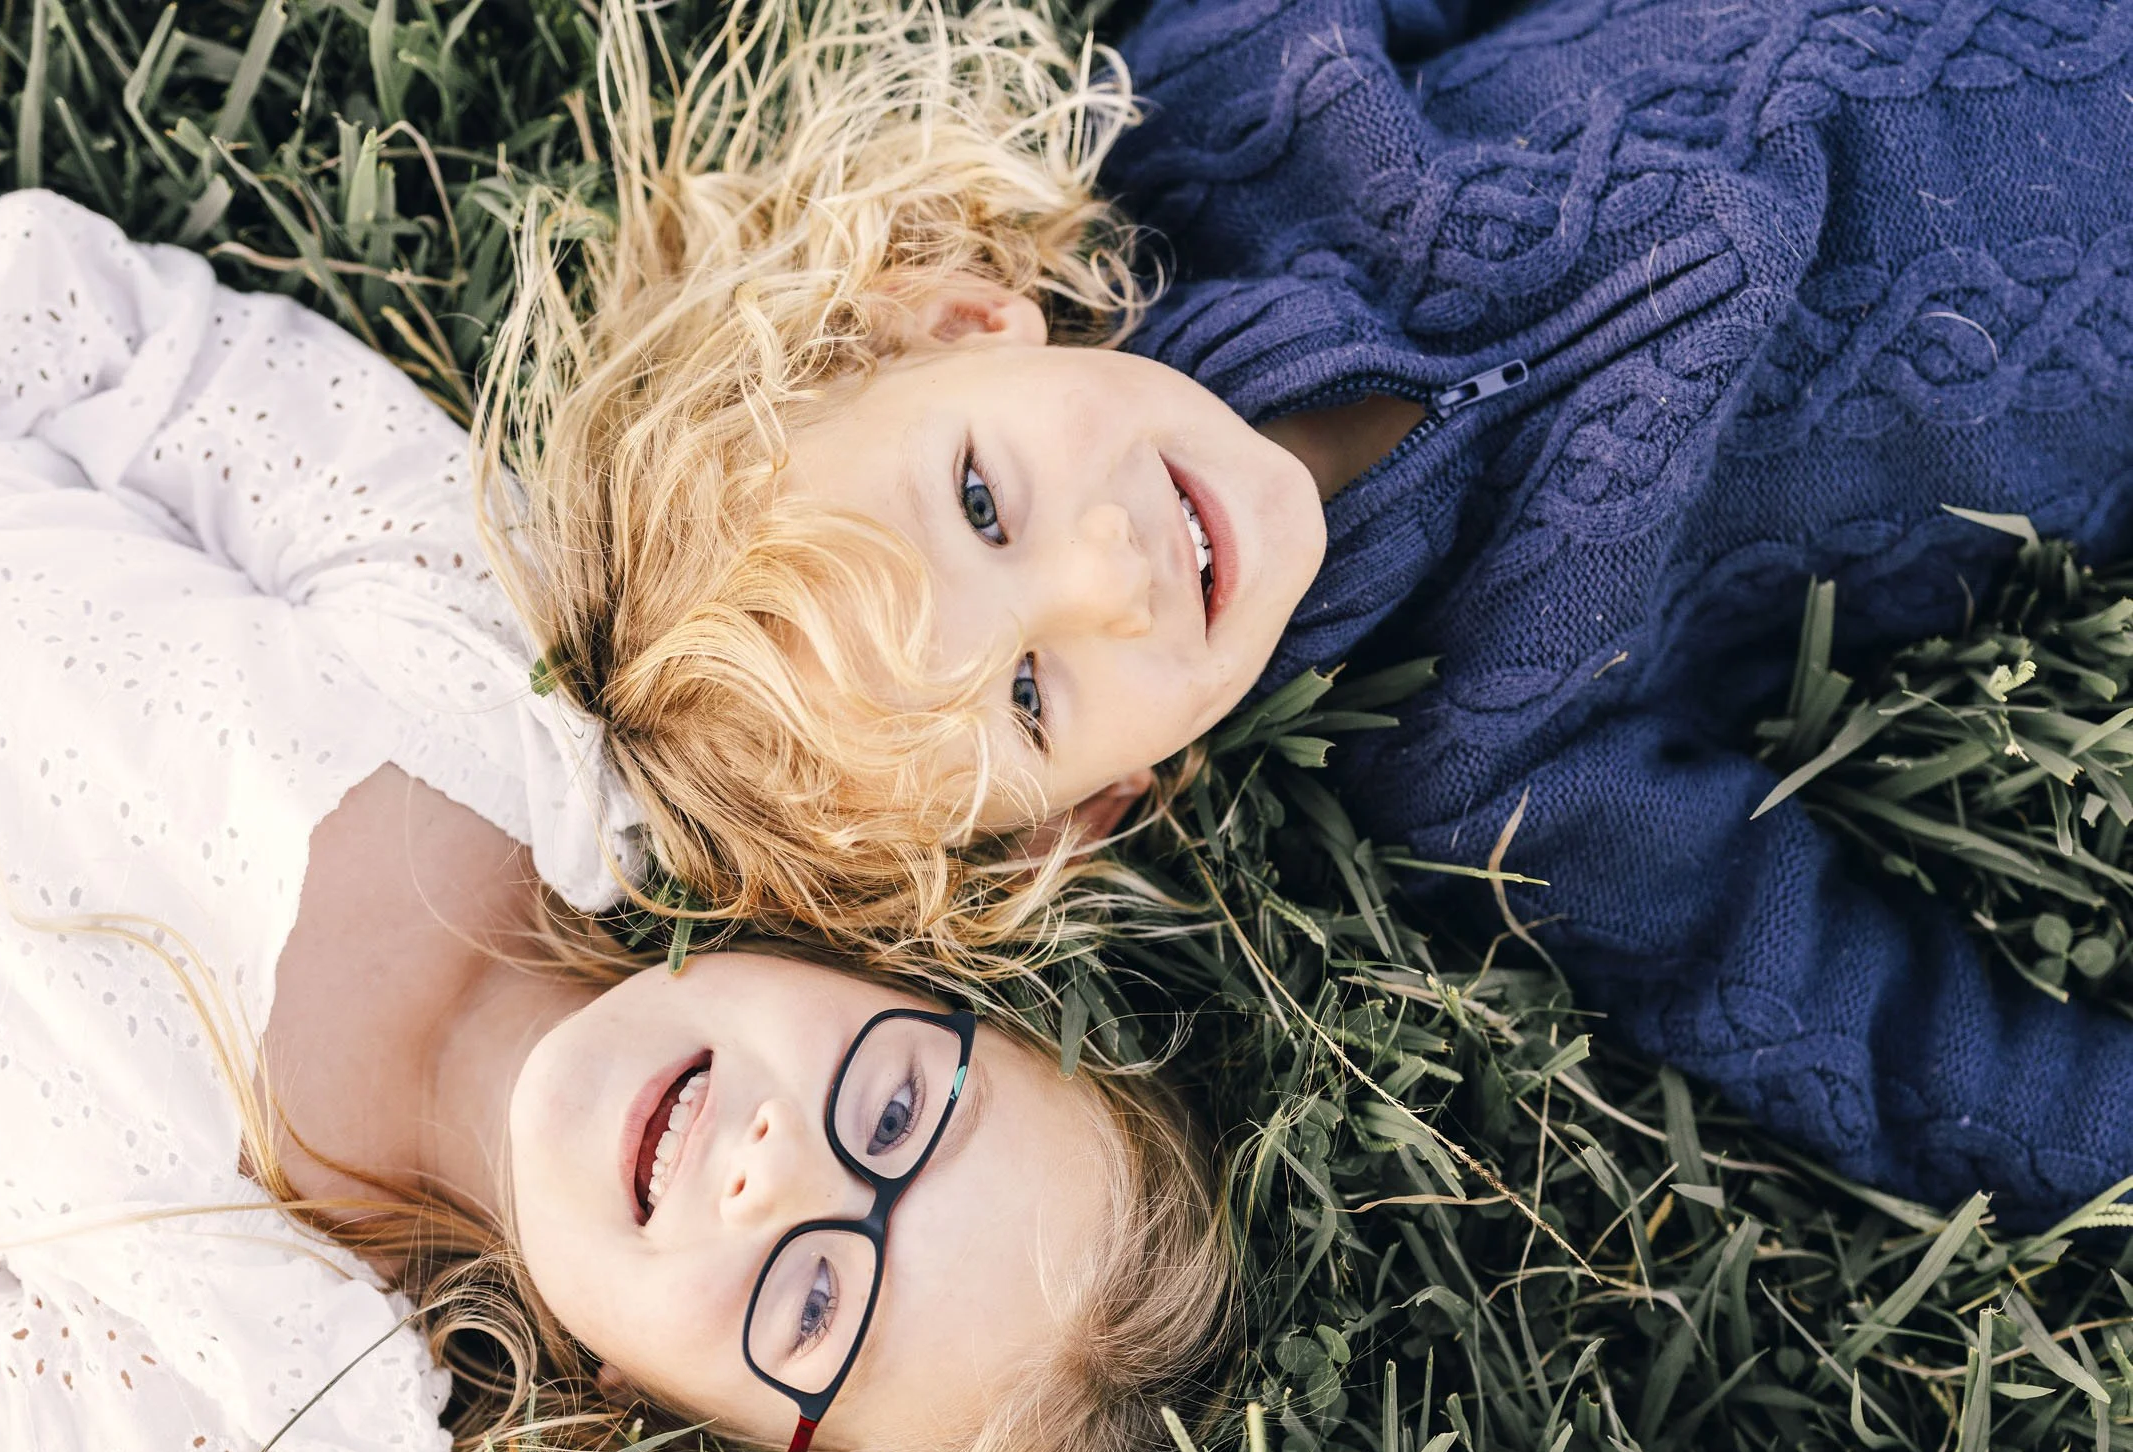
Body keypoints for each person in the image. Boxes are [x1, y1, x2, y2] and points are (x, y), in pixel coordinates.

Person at [0, 87, 1228, 1452]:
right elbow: (122, 341)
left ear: (681, 1416)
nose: (773, 1170)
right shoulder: (511, 681)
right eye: (892, 1109)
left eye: (814, 1307)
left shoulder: (255, 1372)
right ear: (881, 977)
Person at [502, 0, 2133, 1215]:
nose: (1108, 574)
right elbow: (1824, 997)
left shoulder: (1234, 100)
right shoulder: (1479, 757)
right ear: (1099, 806)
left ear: (954, 320)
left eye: (985, 501)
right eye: (1032, 696)